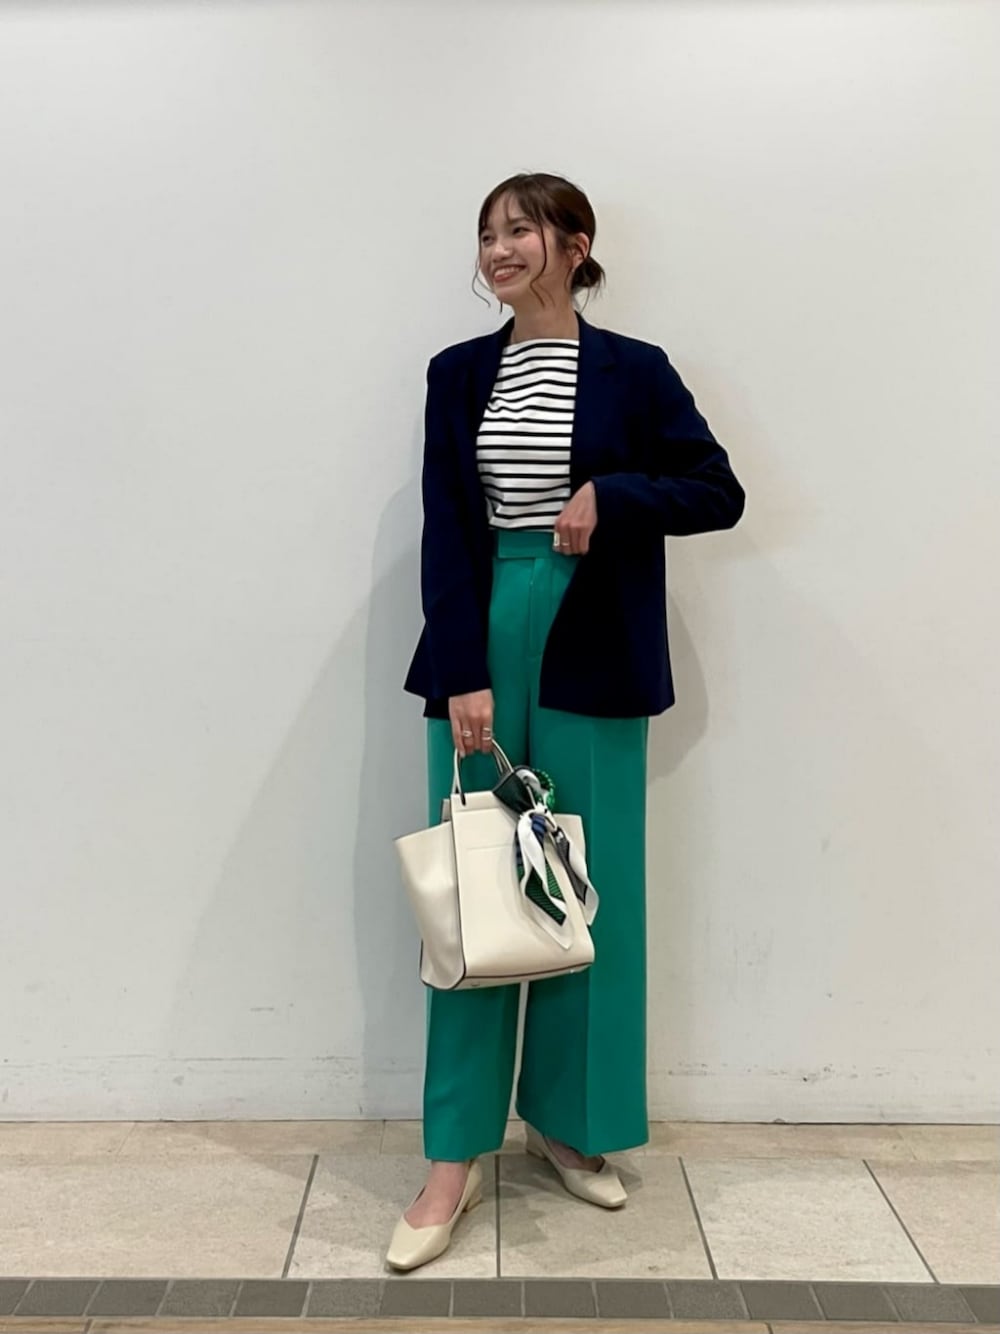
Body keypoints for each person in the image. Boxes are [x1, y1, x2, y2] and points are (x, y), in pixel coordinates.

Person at [387, 172, 745, 1271]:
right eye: (487, 233)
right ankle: (451, 1156)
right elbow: (445, 523)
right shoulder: (459, 372)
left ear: (574, 244)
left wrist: (614, 494)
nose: (498, 249)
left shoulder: (636, 369)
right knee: (472, 890)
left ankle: (569, 1121)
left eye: (520, 230)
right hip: (485, 623)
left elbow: (716, 490)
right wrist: (462, 669)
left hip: (597, 639)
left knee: (585, 892)